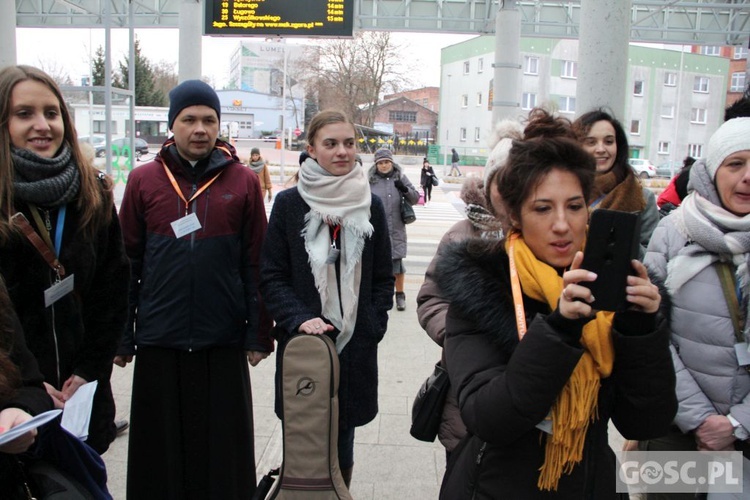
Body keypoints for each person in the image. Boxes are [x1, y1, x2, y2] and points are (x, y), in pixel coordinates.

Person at [435, 114, 677, 498]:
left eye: (575, 206)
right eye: (543, 209)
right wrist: (560, 328)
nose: (562, 225)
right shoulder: (483, 285)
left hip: (591, 483)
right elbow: (490, 418)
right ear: (514, 215)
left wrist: (641, 331)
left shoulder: (611, 290)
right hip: (497, 487)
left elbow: (645, 421)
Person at [116, 79, 273, 499]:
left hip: (220, 338)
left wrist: (258, 333)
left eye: (209, 119)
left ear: (219, 125)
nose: (200, 128)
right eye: (189, 119)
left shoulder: (242, 182)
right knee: (159, 457)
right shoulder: (143, 180)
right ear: (173, 125)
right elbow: (126, 263)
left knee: (223, 455)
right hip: (159, 338)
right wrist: (123, 336)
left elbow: (256, 262)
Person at [260, 110, 394, 488]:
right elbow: (271, 275)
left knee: (344, 444)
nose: (342, 152)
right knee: (303, 441)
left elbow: (383, 277)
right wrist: (299, 318)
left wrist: (372, 324)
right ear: (311, 149)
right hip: (305, 347)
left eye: (349, 143)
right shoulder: (289, 205)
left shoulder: (371, 206)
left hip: (354, 346)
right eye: (331, 144)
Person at [0, 65, 129, 455]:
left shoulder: (93, 193)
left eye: (51, 113)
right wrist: (25, 385)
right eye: (25, 114)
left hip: (81, 392)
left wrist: (88, 370)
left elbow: (113, 290)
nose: (42, 125)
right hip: (14, 399)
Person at [642, 117, 750, 499]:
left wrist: (738, 423)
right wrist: (702, 421)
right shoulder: (673, 231)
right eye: (735, 164)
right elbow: (649, 333)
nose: (747, 177)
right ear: (711, 171)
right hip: (675, 429)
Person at [416, 119, 522, 460]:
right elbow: (431, 297)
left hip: (528, 391)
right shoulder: (460, 235)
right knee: (464, 474)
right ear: (490, 186)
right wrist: (460, 335)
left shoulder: (544, 237)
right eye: (503, 182)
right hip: (464, 383)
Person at [573, 109, 659, 258]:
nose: (601, 149)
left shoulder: (643, 199)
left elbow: (654, 259)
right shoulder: (563, 193)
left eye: (609, 141)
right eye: (591, 142)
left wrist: (619, 238)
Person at [368, 148, 419, 311]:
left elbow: (416, 198)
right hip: (376, 229)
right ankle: (379, 295)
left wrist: (404, 189)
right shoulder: (370, 180)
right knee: (376, 264)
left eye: (386, 162)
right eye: (380, 163)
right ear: (376, 165)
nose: (383, 166)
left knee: (397, 264)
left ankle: (400, 295)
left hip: (396, 227)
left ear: (392, 162)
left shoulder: (400, 177)